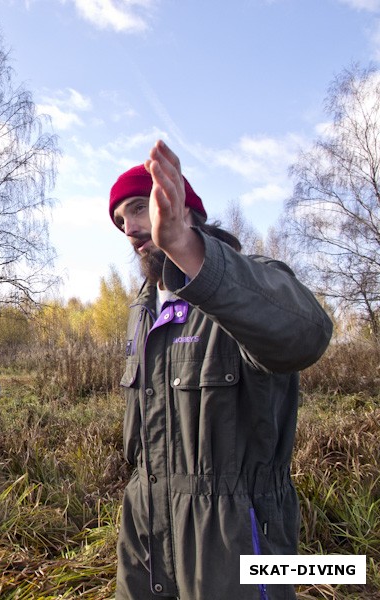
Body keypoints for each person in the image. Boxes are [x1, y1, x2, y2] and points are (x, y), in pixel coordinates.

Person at [108, 141, 333, 600]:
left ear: (182, 207)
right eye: (120, 221)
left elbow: (307, 334)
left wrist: (188, 251)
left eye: (138, 207)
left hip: (237, 545)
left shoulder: (248, 284)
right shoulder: (142, 311)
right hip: (146, 541)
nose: (130, 228)